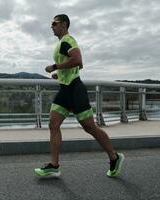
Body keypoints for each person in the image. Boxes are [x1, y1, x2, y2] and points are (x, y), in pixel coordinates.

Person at [34, 14, 124, 178]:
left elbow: (78, 60)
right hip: (65, 90)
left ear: (64, 24)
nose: (51, 26)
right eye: (51, 24)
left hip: (75, 89)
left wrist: (55, 66)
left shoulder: (68, 40)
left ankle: (115, 157)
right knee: (53, 124)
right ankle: (54, 166)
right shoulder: (61, 43)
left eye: (54, 23)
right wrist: (59, 73)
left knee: (89, 127)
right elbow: (77, 64)